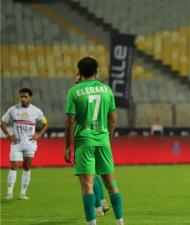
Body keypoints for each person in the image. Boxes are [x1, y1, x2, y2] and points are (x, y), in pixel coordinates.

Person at [64, 56, 124, 225]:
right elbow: (113, 118)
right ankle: (120, 222)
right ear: (96, 71)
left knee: (87, 185)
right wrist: (107, 138)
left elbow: (70, 121)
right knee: (112, 184)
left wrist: (68, 146)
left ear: (79, 72)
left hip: (84, 142)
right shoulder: (107, 90)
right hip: (103, 141)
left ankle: (92, 223)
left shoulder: (74, 92)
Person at [1, 88, 48, 200]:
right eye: (21, 96)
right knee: (13, 166)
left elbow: (45, 124)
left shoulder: (36, 111)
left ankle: (23, 193)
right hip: (16, 143)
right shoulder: (13, 109)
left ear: (30, 98)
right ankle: (9, 192)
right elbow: (2, 123)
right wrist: (8, 135)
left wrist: (39, 135)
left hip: (30, 144)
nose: (23, 99)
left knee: (26, 167)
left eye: (25, 97)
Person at [74, 73, 110, 216]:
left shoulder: (78, 94)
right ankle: (101, 202)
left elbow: (73, 118)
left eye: (78, 75)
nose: (76, 77)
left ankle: (97, 207)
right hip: (98, 136)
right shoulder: (98, 92)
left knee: (87, 175)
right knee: (93, 174)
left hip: (85, 137)